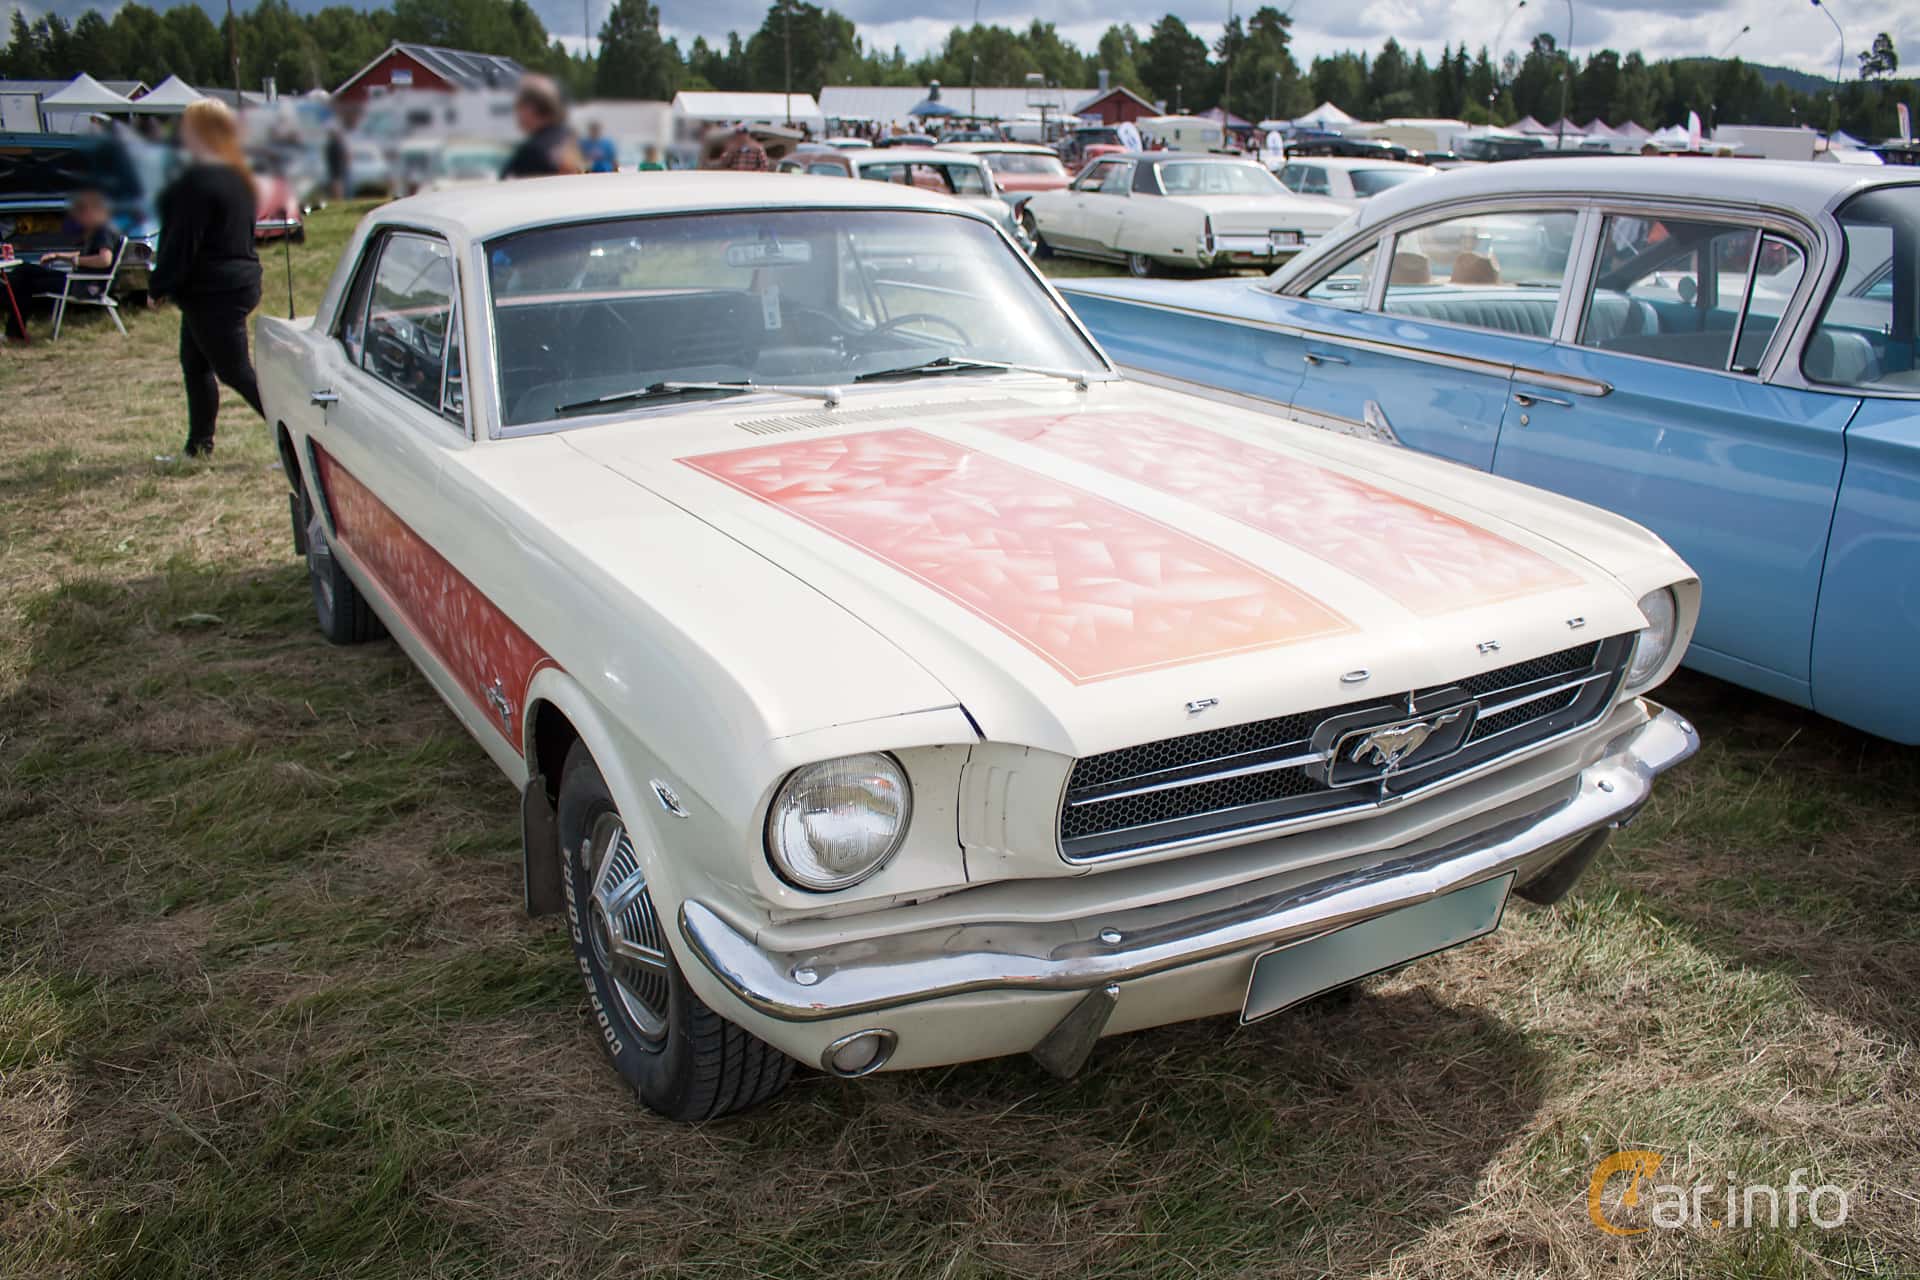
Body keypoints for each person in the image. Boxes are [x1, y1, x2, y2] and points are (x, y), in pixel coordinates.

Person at [149, 98, 264, 460]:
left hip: (215, 290)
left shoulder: (196, 181)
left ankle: (297, 438)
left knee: (236, 372)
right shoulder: (238, 174)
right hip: (232, 283)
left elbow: (182, 241)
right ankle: (199, 447)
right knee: (195, 365)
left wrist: (159, 284)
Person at [4, 188, 123, 339]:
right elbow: (89, 255)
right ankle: (15, 329)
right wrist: (59, 256)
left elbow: (104, 260)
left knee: (23, 282)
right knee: (24, 270)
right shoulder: (101, 229)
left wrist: (76, 261)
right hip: (78, 279)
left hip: (84, 285)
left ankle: (15, 333)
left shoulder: (103, 231)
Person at [501, 75, 583, 179]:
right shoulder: (568, 136)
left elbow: (505, 182)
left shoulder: (532, 151)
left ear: (530, 108)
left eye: (519, 106)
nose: (517, 114)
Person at [325, 127, 349, 201]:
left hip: (335, 167)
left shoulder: (332, 145)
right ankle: (338, 197)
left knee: (337, 183)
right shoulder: (336, 145)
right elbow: (344, 156)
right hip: (337, 167)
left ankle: (338, 197)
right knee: (337, 183)